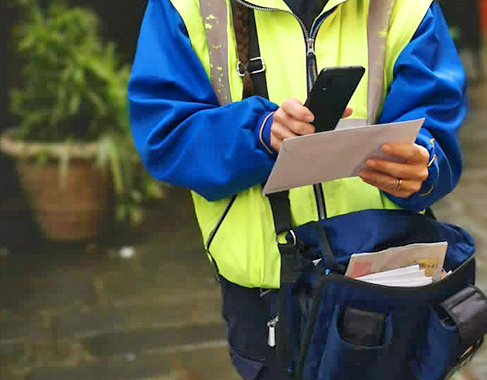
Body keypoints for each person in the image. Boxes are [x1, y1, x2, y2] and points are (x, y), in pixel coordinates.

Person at [128, 0, 466, 378]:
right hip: (266, 291)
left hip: (385, 280)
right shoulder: (184, 6)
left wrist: (422, 163)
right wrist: (258, 132)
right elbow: (166, 134)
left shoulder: (409, 6)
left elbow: (436, 124)